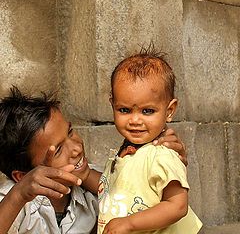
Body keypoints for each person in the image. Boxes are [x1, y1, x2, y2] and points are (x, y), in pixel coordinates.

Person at [0, 86, 186, 234]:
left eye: (70, 132)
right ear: (22, 176)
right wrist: (19, 194)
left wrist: (161, 161)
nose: (76, 148)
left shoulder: (93, 183)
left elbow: (158, 204)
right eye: (58, 151)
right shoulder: (12, 200)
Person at [97, 46, 202, 234]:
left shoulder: (161, 154)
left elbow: (177, 205)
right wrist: (85, 176)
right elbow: (112, 186)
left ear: (169, 110)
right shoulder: (127, 151)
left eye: (147, 111)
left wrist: (128, 223)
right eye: (124, 110)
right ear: (112, 105)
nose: (135, 120)